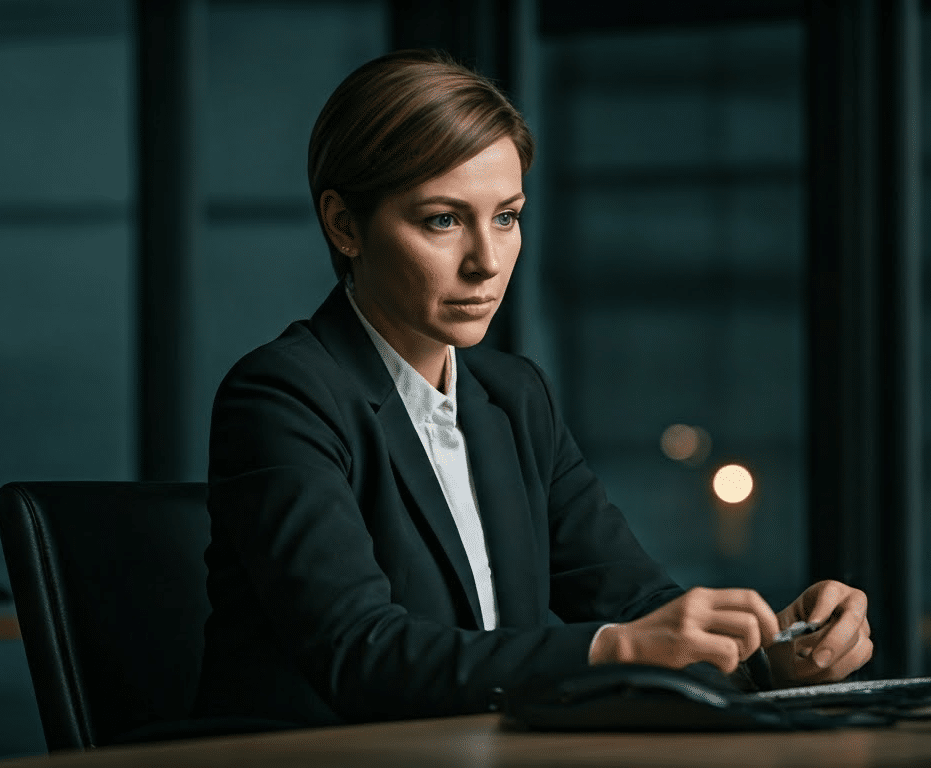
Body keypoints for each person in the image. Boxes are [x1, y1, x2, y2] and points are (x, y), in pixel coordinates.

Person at [194, 49, 873, 727]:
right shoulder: (281, 396)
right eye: (443, 220)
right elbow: (360, 655)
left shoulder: (515, 398)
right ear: (345, 225)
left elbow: (636, 608)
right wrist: (618, 649)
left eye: (506, 217)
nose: (486, 262)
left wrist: (767, 655)